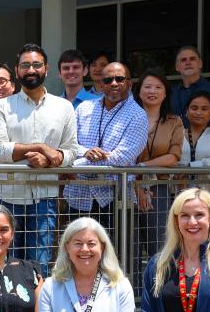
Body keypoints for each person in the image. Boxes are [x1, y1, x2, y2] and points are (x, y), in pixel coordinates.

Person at [0, 43, 81, 266]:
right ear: (17, 70)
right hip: (7, 197)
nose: (31, 70)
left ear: (46, 69)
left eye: (36, 65)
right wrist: (40, 147)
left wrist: (50, 161)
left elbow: (71, 151)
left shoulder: (64, 107)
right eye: (25, 65)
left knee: (38, 265)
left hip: (45, 198)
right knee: (7, 263)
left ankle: (38, 303)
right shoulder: (2, 106)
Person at [63, 62, 148, 230]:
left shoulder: (138, 115)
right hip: (79, 196)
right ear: (101, 84)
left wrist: (74, 166)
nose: (114, 83)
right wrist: (86, 152)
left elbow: (122, 158)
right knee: (77, 252)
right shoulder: (84, 108)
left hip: (115, 198)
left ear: (129, 83)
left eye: (119, 79)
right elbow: (68, 143)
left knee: (115, 255)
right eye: (108, 80)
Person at [133, 69, 185, 279]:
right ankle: (133, 297)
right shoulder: (129, 117)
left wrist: (144, 168)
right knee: (131, 248)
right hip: (128, 188)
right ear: (139, 91)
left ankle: (160, 294)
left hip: (158, 188)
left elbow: (173, 157)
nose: (152, 91)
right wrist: (138, 186)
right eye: (147, 86)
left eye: (158, 87)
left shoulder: (174, 121)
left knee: (160, 246)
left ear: (165, 93)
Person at [172, 46, 210, 128]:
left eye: (192, 59)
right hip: (174, 141)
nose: (188, 62)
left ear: (200, 64)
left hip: (206, 141)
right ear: (177, 67)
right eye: (183, 60)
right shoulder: (169, 94)